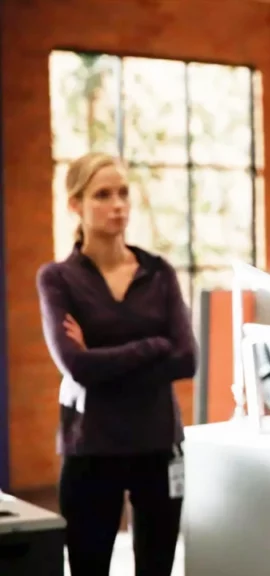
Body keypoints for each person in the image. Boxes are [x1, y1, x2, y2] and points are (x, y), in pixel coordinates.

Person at [36, 151, 197, 575]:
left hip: (158, 443)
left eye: (123, 193)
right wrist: (153, 345)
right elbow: (76, 365)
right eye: (103, 195)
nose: (118, 205)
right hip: (92, 446)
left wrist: (101, 357)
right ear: (76, 204)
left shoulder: (159, 273)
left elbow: (186, 359)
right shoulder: (57, 279)